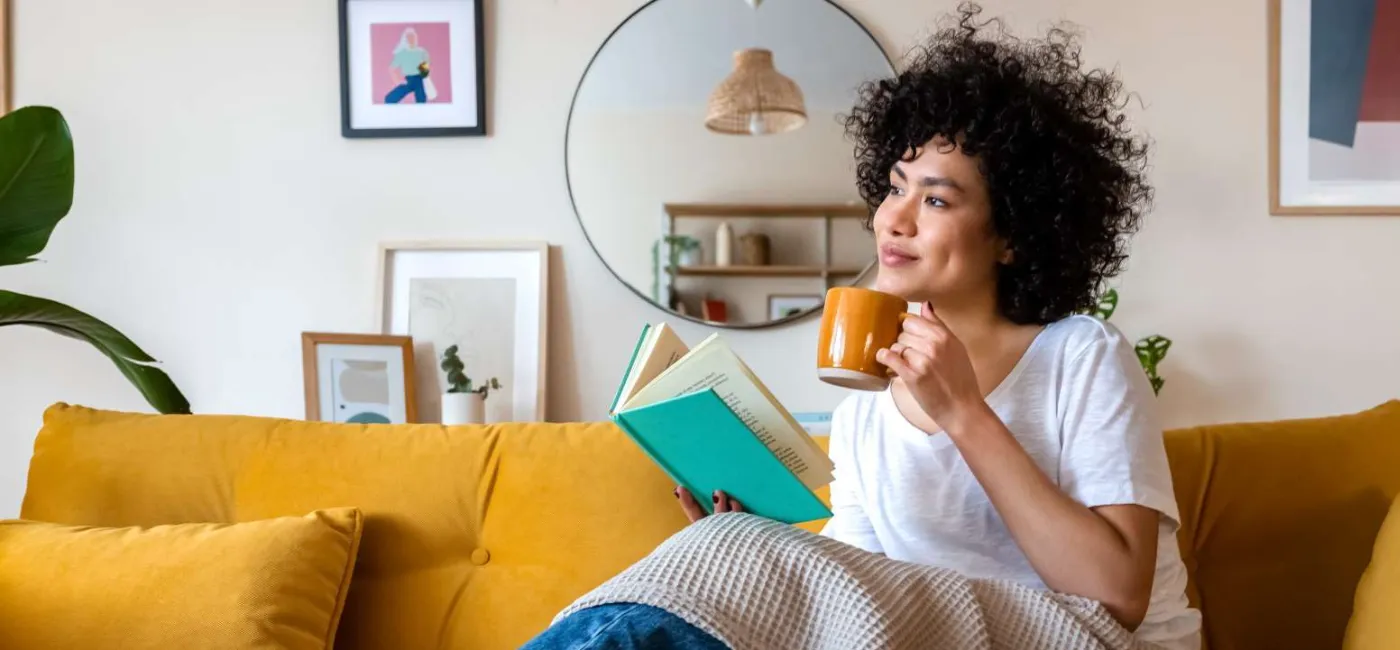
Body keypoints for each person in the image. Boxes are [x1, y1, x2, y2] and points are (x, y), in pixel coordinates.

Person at [525, 4, 1201, 649]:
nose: (893, 219)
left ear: (1013, 236)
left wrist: (965, 413)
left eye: (935, 198)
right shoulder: (864, 417)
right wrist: (756, 543)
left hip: (1084, 639)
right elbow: (855, 613)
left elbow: (1116, 598)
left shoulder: (1082, 356)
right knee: (720, 553)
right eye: (895, 185)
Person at [384, 27, 431, 104]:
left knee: (421, 100)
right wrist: (397, 81)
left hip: (419, 78)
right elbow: (391, 68)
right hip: (408, 79)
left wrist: (424, 72)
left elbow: (426, 66)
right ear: (405, 39)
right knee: (389, 99)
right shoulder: (402, 53)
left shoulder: (421, 51)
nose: (411, 39)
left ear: (415, 37)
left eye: (412, 36)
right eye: (408, 37)